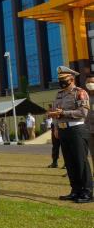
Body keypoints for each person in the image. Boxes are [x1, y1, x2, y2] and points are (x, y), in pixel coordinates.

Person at [49, 66, 92, 203]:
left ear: (72, 79)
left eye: (64, 79)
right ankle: (75, 190)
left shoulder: (80, 92)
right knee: (70, 163)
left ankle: (87, 192)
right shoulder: (59, 94)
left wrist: (63, 113)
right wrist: (56, 126)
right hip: (63, 131)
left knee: (81, 162)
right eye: (60, 79)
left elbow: (83, 113)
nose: (61, 82)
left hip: (77, 130)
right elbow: (56, 112)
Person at [86, 75, 94, 177]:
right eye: (88, 82)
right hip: (89, 130)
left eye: (92, 82)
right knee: (93, 154)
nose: (90, 84)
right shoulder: (84, 96)